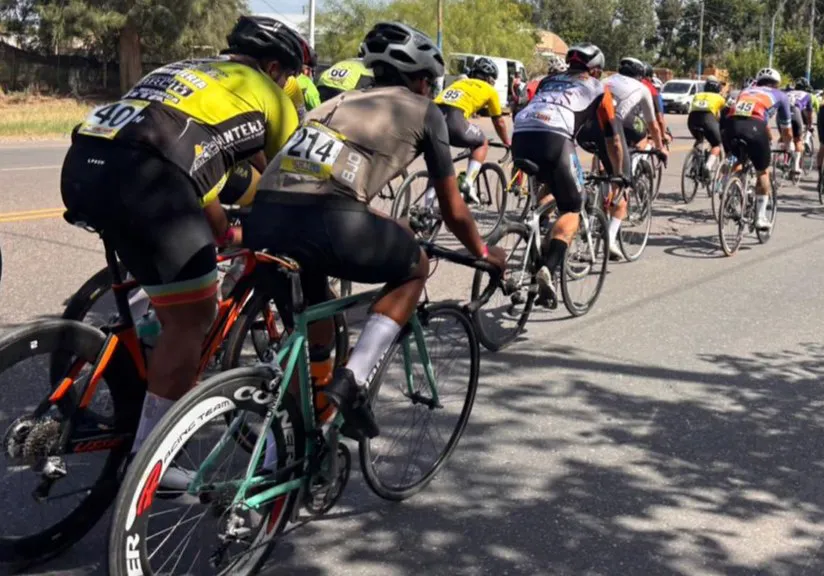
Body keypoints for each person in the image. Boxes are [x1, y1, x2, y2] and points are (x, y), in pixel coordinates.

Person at [59, 15, 306, 469]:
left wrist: (221, 226)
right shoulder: (272, 95)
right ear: (275, 69)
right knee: (193, 317)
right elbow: (294, 178)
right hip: (149, 175)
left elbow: (206, 165)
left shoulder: (185, 70)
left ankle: (140, 357)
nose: (287, 84)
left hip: (82, 166)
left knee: (170, 273)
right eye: (288, 75)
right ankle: (151, 459)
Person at [246, 21, 506, 440]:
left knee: (317, 326)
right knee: (414, 265)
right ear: (423, 81)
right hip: (330, 220)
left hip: (264, 218)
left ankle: (291, 453)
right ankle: (353, 382)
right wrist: (482, 251)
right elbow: (453, 208)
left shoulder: (337, 101)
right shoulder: (425, 110)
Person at [512, 42, 625, 306]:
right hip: (555, 139)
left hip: (521, 136)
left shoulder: (547, 81)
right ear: (596, 70)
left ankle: (536, 229)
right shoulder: (599, 88)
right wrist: (618, 174)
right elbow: (614, 140)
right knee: (574, 206)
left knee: (550, 186)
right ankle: (548, 268)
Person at [578, 56, 666, 261]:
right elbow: (653, 124)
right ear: (641, 76)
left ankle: (590, 205)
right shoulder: (643, 88)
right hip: (611, 130)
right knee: (622, 183)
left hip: (585, 131)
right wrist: (660, 148)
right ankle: (610, 239)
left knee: (603, 169)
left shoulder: (605, 80)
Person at [431, 57, 512, 204]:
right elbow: (498, 121)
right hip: (454, 120)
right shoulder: (490, 90)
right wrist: (507, 142)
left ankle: (426, 210)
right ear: (489, 78)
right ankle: (468, 182)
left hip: (431, 116)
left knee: (436, 168)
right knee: (482, 142)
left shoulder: (460, 82)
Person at [722, 67, 793, 230]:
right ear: (777, 84)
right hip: (754, 127)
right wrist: (788, 146)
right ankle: (760, 217)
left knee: (738, 159)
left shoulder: (746, 91)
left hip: (731, 126)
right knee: (762, 171)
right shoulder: (781, 95)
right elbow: (787, 130)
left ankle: (728, 188)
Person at [687, 76, 726, 177]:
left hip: (692, 120)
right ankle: (708, 166)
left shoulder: (697, 95)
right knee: (716, 144)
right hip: (708, 119)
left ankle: (695, 162)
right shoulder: (720, 98)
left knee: (699, 139)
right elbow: (723, 114)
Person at [785, 77, 814, 175]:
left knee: (784, 137)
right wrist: (809, 125)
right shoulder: (807, 95)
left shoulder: (787, 93)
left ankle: (784, 161)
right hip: (795, 111)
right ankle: (796, 166)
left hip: (782, 114)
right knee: (798, 140)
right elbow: (809, 114)